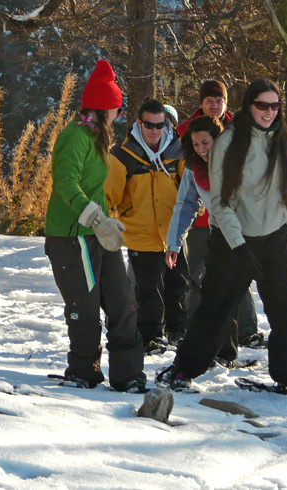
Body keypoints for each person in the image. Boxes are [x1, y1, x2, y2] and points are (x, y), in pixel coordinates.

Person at [167, 79, 287, 397]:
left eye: (275, 106)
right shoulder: (230, 143)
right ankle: (183, 369)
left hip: (274, 237)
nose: (269, 112)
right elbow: (222, 203)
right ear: (248, 106)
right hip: (233, 241)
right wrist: (239, 245)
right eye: (262, 105)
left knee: (286, 309)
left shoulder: (281, 138)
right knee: (216, 308)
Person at [44, 59, 146, 393]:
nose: (119, 113)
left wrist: (106, 220)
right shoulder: (75, 137)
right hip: (72, 238)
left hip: (97, 234)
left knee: (123, 302)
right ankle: (82, 371)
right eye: (117, 107)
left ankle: (128, 375)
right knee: (85, 310)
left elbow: (93, 187)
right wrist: (94, 218)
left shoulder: (95, 134)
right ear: (105, 109)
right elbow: (66, 182)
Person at [177, 80, 261, 348]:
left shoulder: (237, 131)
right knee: (196, 273)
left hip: (235, 218)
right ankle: (198, 326)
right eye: (209, 100)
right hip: (199, 220)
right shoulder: (186, 131)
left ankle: (247, 330)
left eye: (219, 100)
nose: (214, 105)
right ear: (201, 103)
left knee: (240, 274)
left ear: (226, 103)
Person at [105, 98, 189, 353]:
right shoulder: (122, 155)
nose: (154, 130)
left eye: (160, 125)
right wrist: (105, 220)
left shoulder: (179, 151)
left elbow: (191, 189)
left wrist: (196, 211)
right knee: (148, 290)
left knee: (179, 285)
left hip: (174, 234)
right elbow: (109, 195)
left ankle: (179, 331)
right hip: (140, 234)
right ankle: (150, 336)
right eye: (149, 125)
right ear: (139, 123)